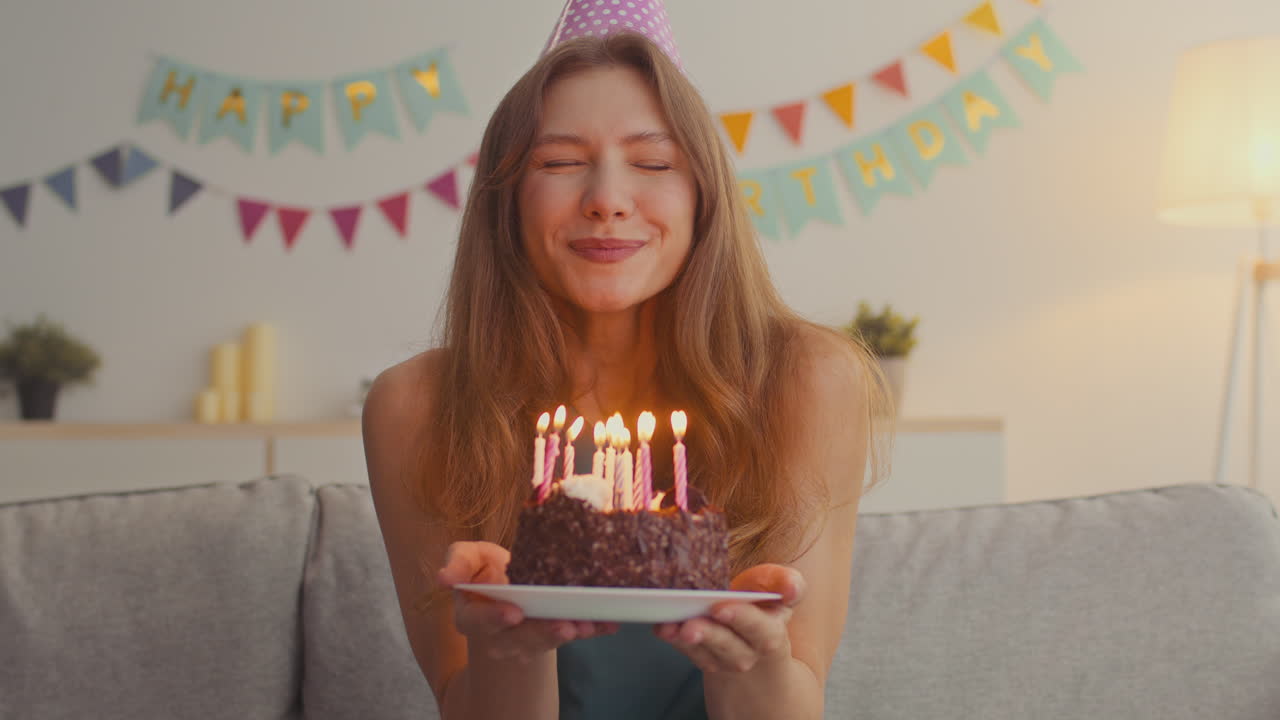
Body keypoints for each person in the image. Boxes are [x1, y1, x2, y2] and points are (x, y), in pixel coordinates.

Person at [362, 5, 892, 718]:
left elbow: (794, 707)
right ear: (506, 196)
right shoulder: (417, 407)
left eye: (652, 162)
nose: (608, 200)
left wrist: (755, 659)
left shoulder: (807, 381)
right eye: (559, 162)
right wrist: (508, 649)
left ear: (704, 195)